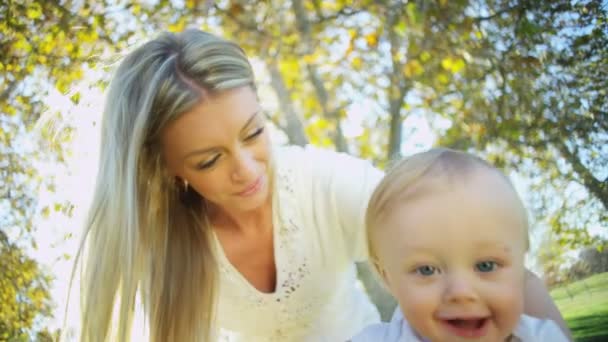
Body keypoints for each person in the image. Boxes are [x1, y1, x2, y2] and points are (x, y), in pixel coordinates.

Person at [72, 29, 569, 341]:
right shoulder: (162, 247)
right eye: (208, 160)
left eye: (254, 134)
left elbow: (478, 253)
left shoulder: (323, 183)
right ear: (167, 167)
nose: (247, 169)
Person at [352, 148, 570, 341]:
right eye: (426, 270)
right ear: (387, 278)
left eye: (486, 265)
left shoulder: (542, 336)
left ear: (521, 263)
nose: (461, 292)